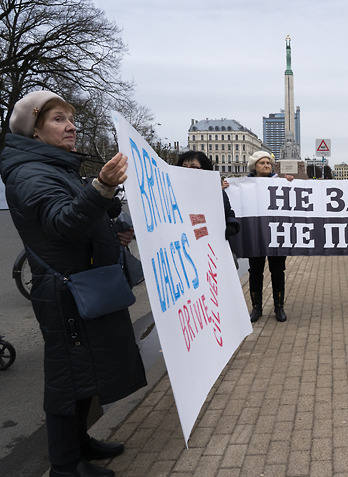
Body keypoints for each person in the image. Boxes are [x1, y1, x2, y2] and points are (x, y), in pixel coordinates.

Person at [0, 90, 147, 477]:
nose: (71, 126)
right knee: (68, 376)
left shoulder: (56, 167)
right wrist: (100, 187)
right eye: (58, 119)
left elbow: (79, 221)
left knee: (87, 370)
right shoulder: (30, 172)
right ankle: (65, 464)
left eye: (71, 118)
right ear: (34, 130)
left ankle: (81, 443)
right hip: (65, 292)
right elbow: (62, 224)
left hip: (82, 283)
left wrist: (108, 232)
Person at [246, 151, 292, 323]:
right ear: (254, 166)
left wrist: (291, 184)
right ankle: (256, 307)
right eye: (262, 163)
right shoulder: (244, 185)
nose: (266, 165)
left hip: (276, 234)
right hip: (255, 234)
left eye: (268, 163)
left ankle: (278, 306)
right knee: (255, 272)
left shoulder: (280, 183)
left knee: (278, 271)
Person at [176, 151, 240, 256]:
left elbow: (228, 213)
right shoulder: (172, 191)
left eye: (194, 167)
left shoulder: (217, 192)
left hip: (211, 250)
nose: (188, 170)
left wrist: (231, 225)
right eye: (184, 167)